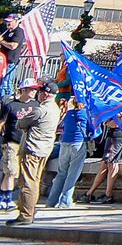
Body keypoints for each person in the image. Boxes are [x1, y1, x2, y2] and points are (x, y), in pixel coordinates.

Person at [11, 81, 56, 225]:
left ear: (45, 94)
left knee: (27, 182)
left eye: (41, 92)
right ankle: (30, 210)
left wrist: (23, 116)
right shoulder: (55, 109)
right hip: (44, 149)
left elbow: (20, 123)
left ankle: (25, 215)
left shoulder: (40, 110)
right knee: (35, 181)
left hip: (32, 148)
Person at [47, 96, 89, 208]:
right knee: (73, 173)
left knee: (61, 172)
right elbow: (93, 130)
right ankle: (65, 201)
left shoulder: (68, 114)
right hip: (78, 143)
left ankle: (52, 200)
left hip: (65, 143)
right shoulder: (85, 114)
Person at [0, 82, 29, 217]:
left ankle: (5, 196)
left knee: (15, 173)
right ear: (23, 90)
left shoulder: (35, 106)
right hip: (11, 142)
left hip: (25, 144)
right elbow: (2, 123)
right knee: (11, 171)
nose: (33, 92)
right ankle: (7, 198)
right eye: (30, 90)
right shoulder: (10, 106)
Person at [85, 116, 122, 204]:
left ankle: (108, 194)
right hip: (113, 136)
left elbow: (116, 124)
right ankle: (90, 192)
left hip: (117, 136)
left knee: (112, 163)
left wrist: (104, 121)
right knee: (104, 163)